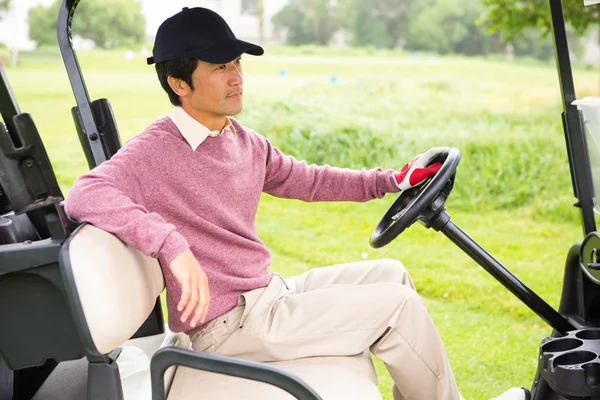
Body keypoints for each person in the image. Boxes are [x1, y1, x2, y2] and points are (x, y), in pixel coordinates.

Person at [64, 7, 530, 400]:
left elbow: (306, 179)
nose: (237, 77)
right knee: (396, 308)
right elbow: (84, 193)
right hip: (226, 328)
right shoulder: (155, 150)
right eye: (220, 67)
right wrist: (170, 244)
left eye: (237, 64)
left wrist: (391, 180)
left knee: (392, 274)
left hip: (267, 297)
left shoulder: (240, 140)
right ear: (179, 83)